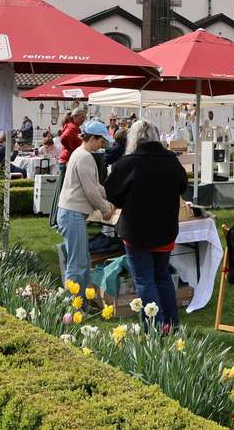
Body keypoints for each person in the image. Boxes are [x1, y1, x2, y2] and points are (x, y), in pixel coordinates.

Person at [105, 120, 187, 328]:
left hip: (136, 230)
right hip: (165, 229)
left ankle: (155, 328)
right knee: (162, 276)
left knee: (144, 280)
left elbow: (112, 193)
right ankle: (171, 324)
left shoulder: (127, 163)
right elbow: (182, 187)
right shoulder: (171, 160)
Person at [57, 120, 117, 290]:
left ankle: (81, 302)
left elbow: (95, 186)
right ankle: (72, 305)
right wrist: (105, 209)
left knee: (82, 260)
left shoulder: (80, 153)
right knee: (77, 264)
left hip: (72, 213)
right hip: (72, 214)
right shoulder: (84, 157)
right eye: (101, 141)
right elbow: (91, 191)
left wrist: (111, 195)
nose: (102, 144)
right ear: (92, 138)